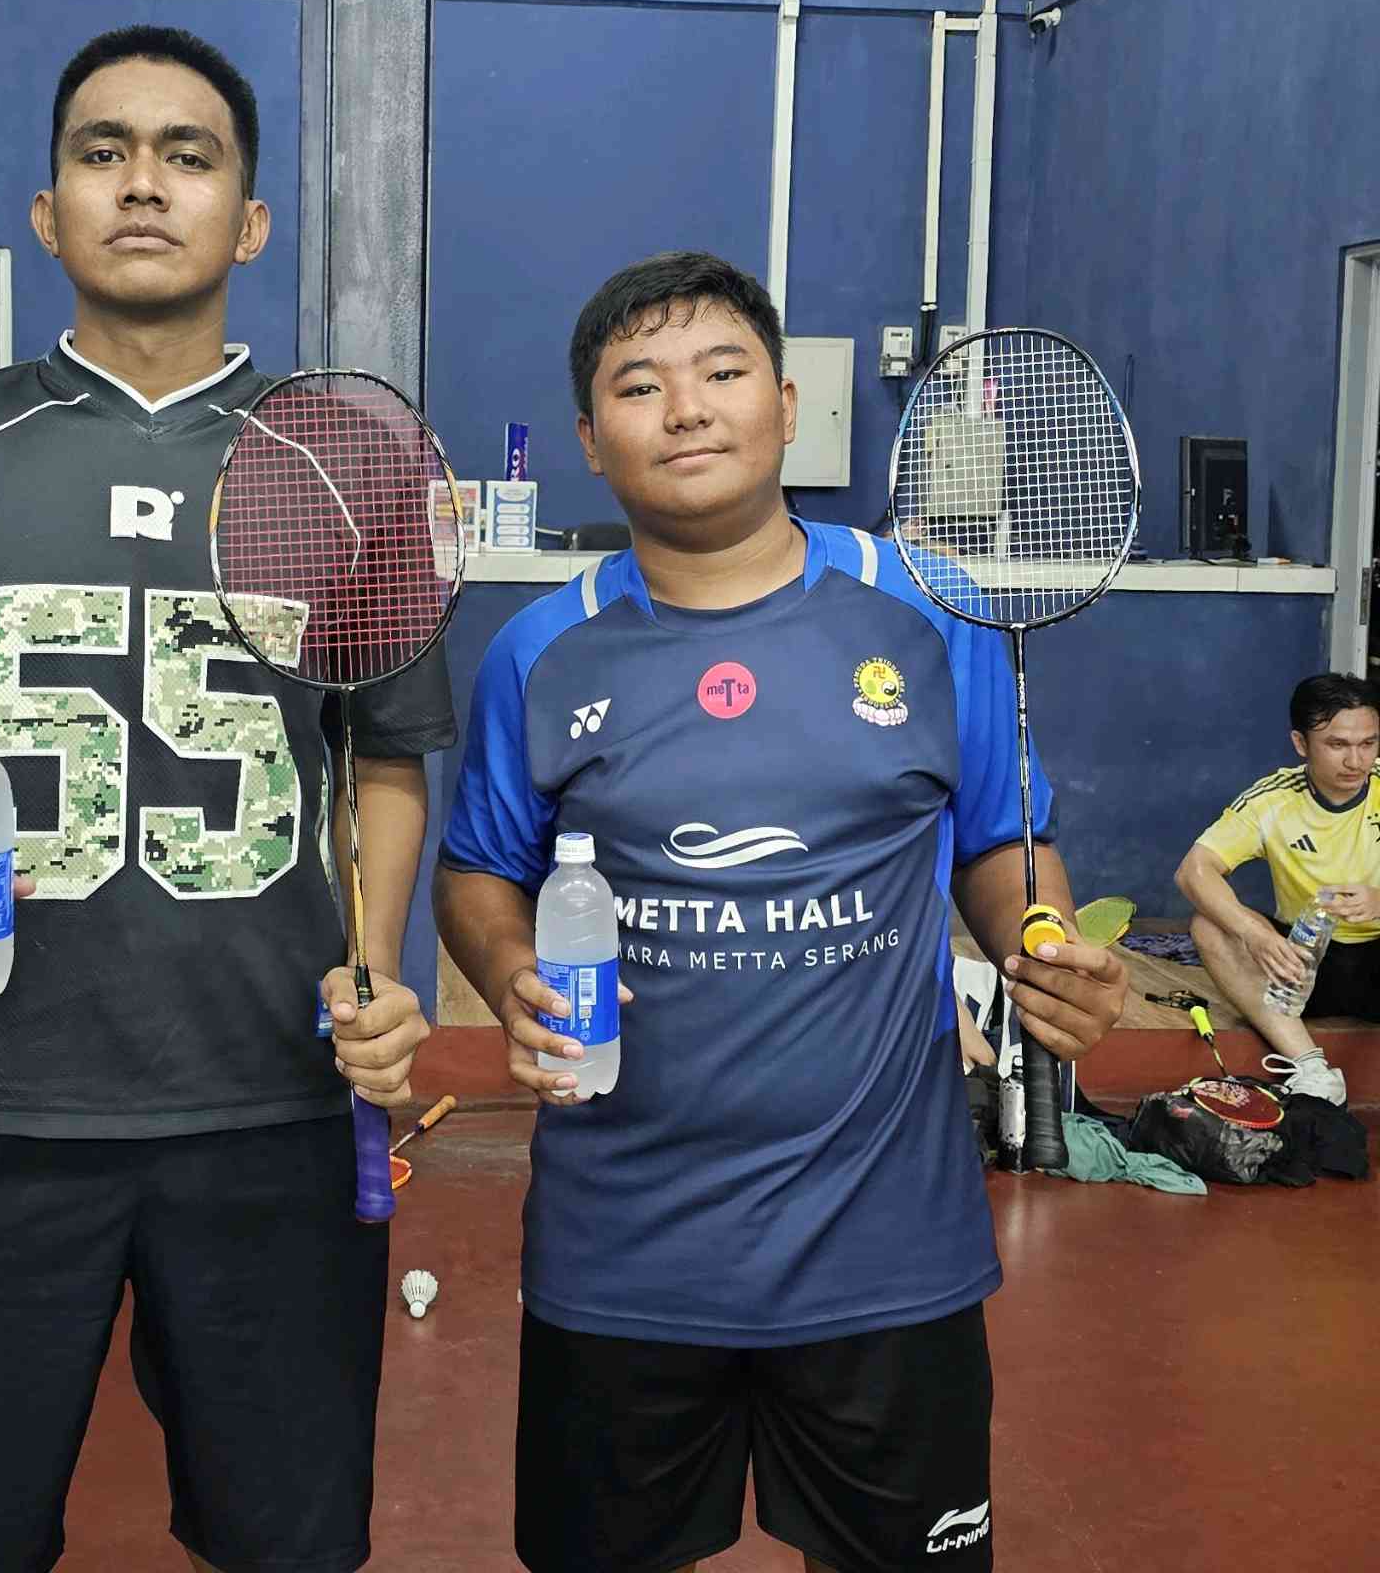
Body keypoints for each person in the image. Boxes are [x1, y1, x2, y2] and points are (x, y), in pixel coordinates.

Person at [0, 24, 455, 1573]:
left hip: (271, 1104)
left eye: (188, 155)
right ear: (49, 213)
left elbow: (382, 754)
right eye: (104, 153)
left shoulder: (354, 461)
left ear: (252, 220)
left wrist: (379, 966)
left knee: (288, 1541)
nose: (144, 184)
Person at [435, 251, 1128, 1573]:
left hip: (885, 1251)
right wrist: (511, 961)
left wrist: (1041, 943)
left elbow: (1001, 839)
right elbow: (477, 869)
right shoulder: (540, 650)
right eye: (640, 385)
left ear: (788, 404)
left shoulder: (932, 613)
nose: (687, 408)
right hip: (622, 1255)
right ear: (590, 438)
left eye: (722, 371)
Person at [1174, 672, 1380, 1105]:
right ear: (1301, 744)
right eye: (1337, 745)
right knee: (1209, 926)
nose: (1356, 761)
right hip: (1302, 964)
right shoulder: (1273, 799)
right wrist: (1257, 936)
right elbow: (1194, 871)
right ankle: (1311, 1068)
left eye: (1368, 743)